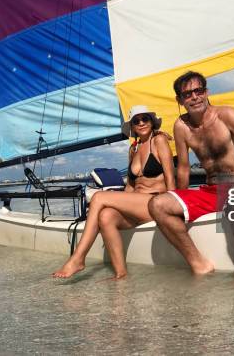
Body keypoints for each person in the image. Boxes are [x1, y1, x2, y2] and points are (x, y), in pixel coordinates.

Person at [148, 71, 234, 282]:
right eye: (187, 94)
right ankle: (198, 263)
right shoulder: (181, 126)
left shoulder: (227, 115)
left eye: (198, 91)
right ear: (179, 100)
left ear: (206, 92)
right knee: (158, 204)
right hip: (210, 191)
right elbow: (183, 168)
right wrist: (180, 201)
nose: (194, 97)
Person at [53, 105, 175, 279]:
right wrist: (121, 203)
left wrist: (175, 208)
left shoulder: (159, 141)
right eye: (136, 121)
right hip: (137, 205)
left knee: (99, 196)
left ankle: (78, 258)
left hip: (156, 202)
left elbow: (171, 177)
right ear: (132, 127)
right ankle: (120, 274)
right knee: (106, 216)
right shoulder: (133, 149)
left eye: (145, 119)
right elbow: (131, 187)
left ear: (152, 122)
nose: (141, 123)